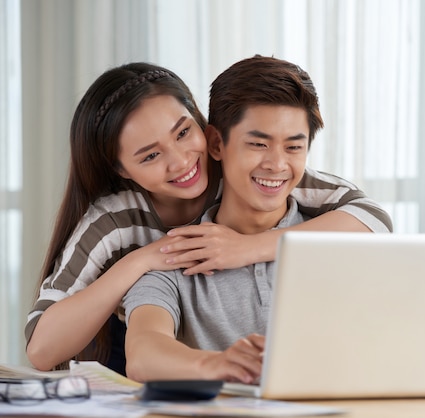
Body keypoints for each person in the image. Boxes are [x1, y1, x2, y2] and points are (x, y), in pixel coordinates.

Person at [25, 61, 392, 374]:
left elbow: (373, 215)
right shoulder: (118, 222)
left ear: (206, 133)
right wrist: (144, 259)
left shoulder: (265, 173)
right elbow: (45, 348)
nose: (182, 161)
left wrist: (247, 248)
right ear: (120, 169)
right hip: (149, 324)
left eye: (184, 133)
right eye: (150, 156)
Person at [123, 55, 365, 382]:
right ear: (216, 144)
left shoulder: (343, 243)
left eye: (294, 148)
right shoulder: (179, 255)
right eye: (258, 144)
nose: (277, 164)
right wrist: (215, 365)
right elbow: (142, 352)